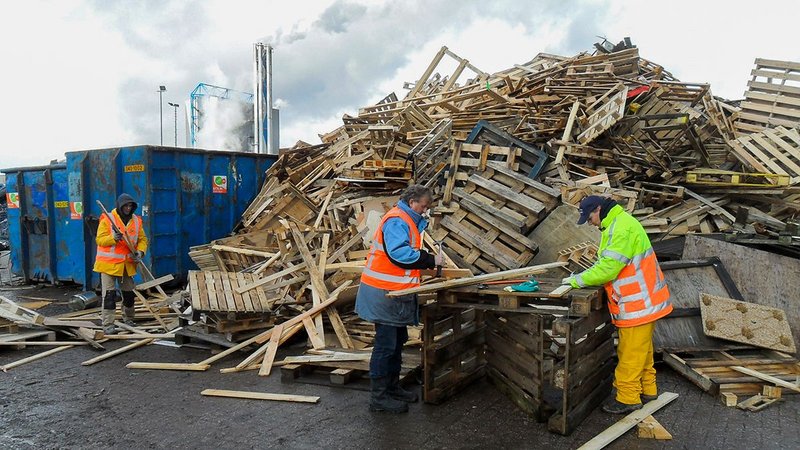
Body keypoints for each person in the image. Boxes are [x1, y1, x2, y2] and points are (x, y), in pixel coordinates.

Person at [563, 195, 672, 414]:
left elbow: (607, 269)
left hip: (638, 304)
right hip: (644, 301)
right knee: (642, 350)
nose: (590, 223)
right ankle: (648, 389)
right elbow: (607, 263)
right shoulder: (618, 223)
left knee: (630, 353)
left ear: (599, 209)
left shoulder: (620, 229)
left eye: (590, 217)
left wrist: (576, 280)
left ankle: (627, 398)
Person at [355, 185, 441, 413]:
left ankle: (392, 387)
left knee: (396, 343)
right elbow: (399, 255)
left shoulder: (407, 220)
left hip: (394, 294)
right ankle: (379, 398)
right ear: (412, 201)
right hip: (383, 294)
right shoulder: (397, 220)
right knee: (385, 346)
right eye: (423, 206)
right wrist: (429, 260)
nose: (425, 211)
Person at [93, 193, 148, 335]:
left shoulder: (136, 221)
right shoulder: (107, 219)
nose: (128, 208)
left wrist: (140, 252)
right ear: (120, 206)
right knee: (109, 296)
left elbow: (142, 239)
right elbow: (99, 240)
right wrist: (113, 238)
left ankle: (129, 318)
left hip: (127, 264)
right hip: (108, 265)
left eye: (130, 206)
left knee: (129, 295)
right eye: (126, 206)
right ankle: (108, 324)